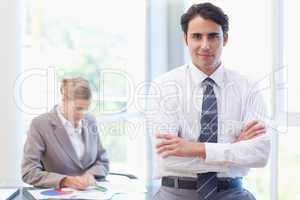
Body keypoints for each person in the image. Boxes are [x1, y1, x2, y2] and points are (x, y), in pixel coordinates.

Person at [146, 2, 271, 200]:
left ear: (225, 39)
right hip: (175, 193)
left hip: (233, 193)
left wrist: (195, 148)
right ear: (185, 39)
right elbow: (168, 158)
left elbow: (259, 154)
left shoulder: (248, 87)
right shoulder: (163, 86)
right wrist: (234, 147)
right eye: (197, 36)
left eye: (213, 36)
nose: (205, 45)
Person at [22, 77, 109, 189]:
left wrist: (90, 174)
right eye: (78, 108)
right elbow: (29, 172)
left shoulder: (89, 120)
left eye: (86, 108)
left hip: (91, 193)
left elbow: (102, 161)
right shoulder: (40, 124)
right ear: (64, 100)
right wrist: (66, 180)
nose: (82, 114)